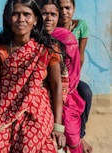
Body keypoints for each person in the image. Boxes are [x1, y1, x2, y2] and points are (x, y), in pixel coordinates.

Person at [0, 0, 67, 152]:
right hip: (4, 108)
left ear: (35, 20)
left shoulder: (47, 48)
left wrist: (58, 127)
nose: (21, 19)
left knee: (28, 145)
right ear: (7, 18)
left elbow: (56, 86)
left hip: (35, 108)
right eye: (15, 14)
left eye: (27, 14)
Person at [41, 0, 86, 153]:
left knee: (71, 133)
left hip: (66, 91)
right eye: (44, 14)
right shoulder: (32, 36)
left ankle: (81, 137)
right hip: (40, 93)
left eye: (53, 14)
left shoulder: (66, 37)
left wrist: (61, 96)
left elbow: (73, 70)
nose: (48, 18)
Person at [58, 0, 93, 152]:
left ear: (74, 8)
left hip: (73, 77)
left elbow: (81, 56)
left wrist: (72, 82)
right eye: (60, 8)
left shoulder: (81, 26)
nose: (64, 11)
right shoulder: (52, 26)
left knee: (86, 92)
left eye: (68, 7)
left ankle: (80, 134)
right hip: (56, 76)